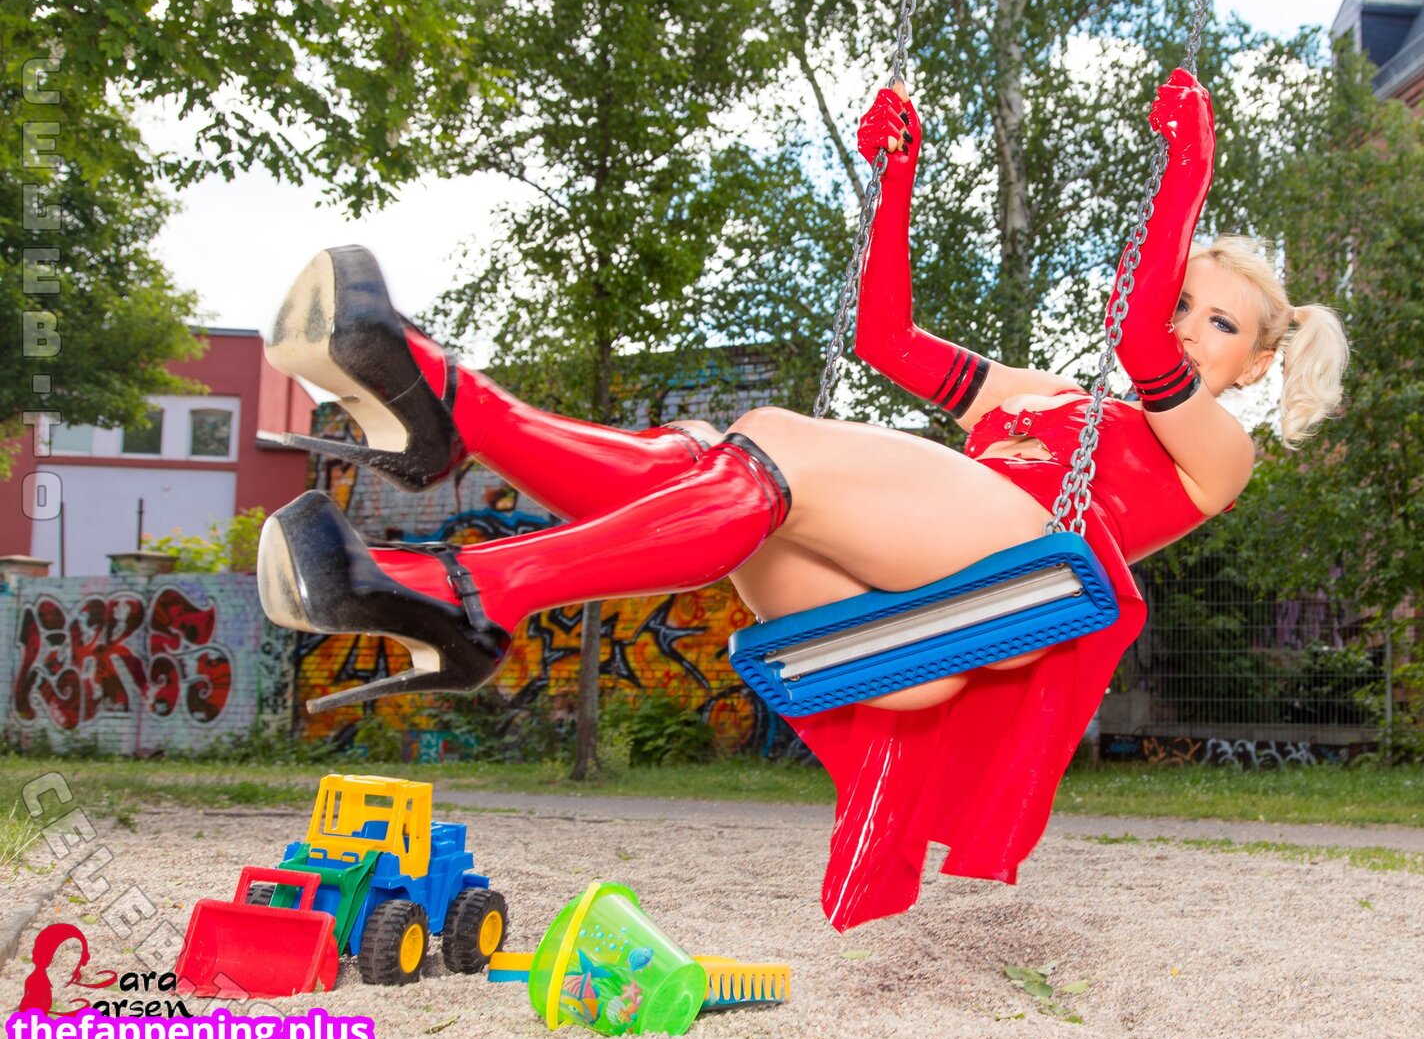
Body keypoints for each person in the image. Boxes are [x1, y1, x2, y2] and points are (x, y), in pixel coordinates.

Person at [255, 67, 1347, 928]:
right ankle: (448, 443)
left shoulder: (1213, 449)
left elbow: (1141, 343)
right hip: (906, 626)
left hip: (1017, 592)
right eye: (1185, 301)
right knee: (704, 460)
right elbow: (888, 341)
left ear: (1257, 364)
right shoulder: (1046, 396)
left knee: (770, 441)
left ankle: (473, 547)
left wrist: (1187, 169)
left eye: (1217, 321)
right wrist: (898, 177)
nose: (1187, 328)